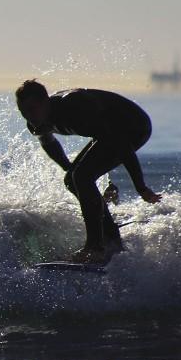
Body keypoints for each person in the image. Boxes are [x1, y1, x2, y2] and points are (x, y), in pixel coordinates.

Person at [15, 79, 162, 264]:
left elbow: (121, 143)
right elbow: (49, 143)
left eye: (32, 109)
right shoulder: (36, 124)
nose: (29, 117)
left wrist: (141, 187)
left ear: (46, 102)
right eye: (23, 112)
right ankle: (110, 238)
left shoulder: (75, 106)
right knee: (72, 179)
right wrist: (69, 169)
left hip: (133, 126)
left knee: (82, 177)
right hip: (108, 134)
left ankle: (96, 246)